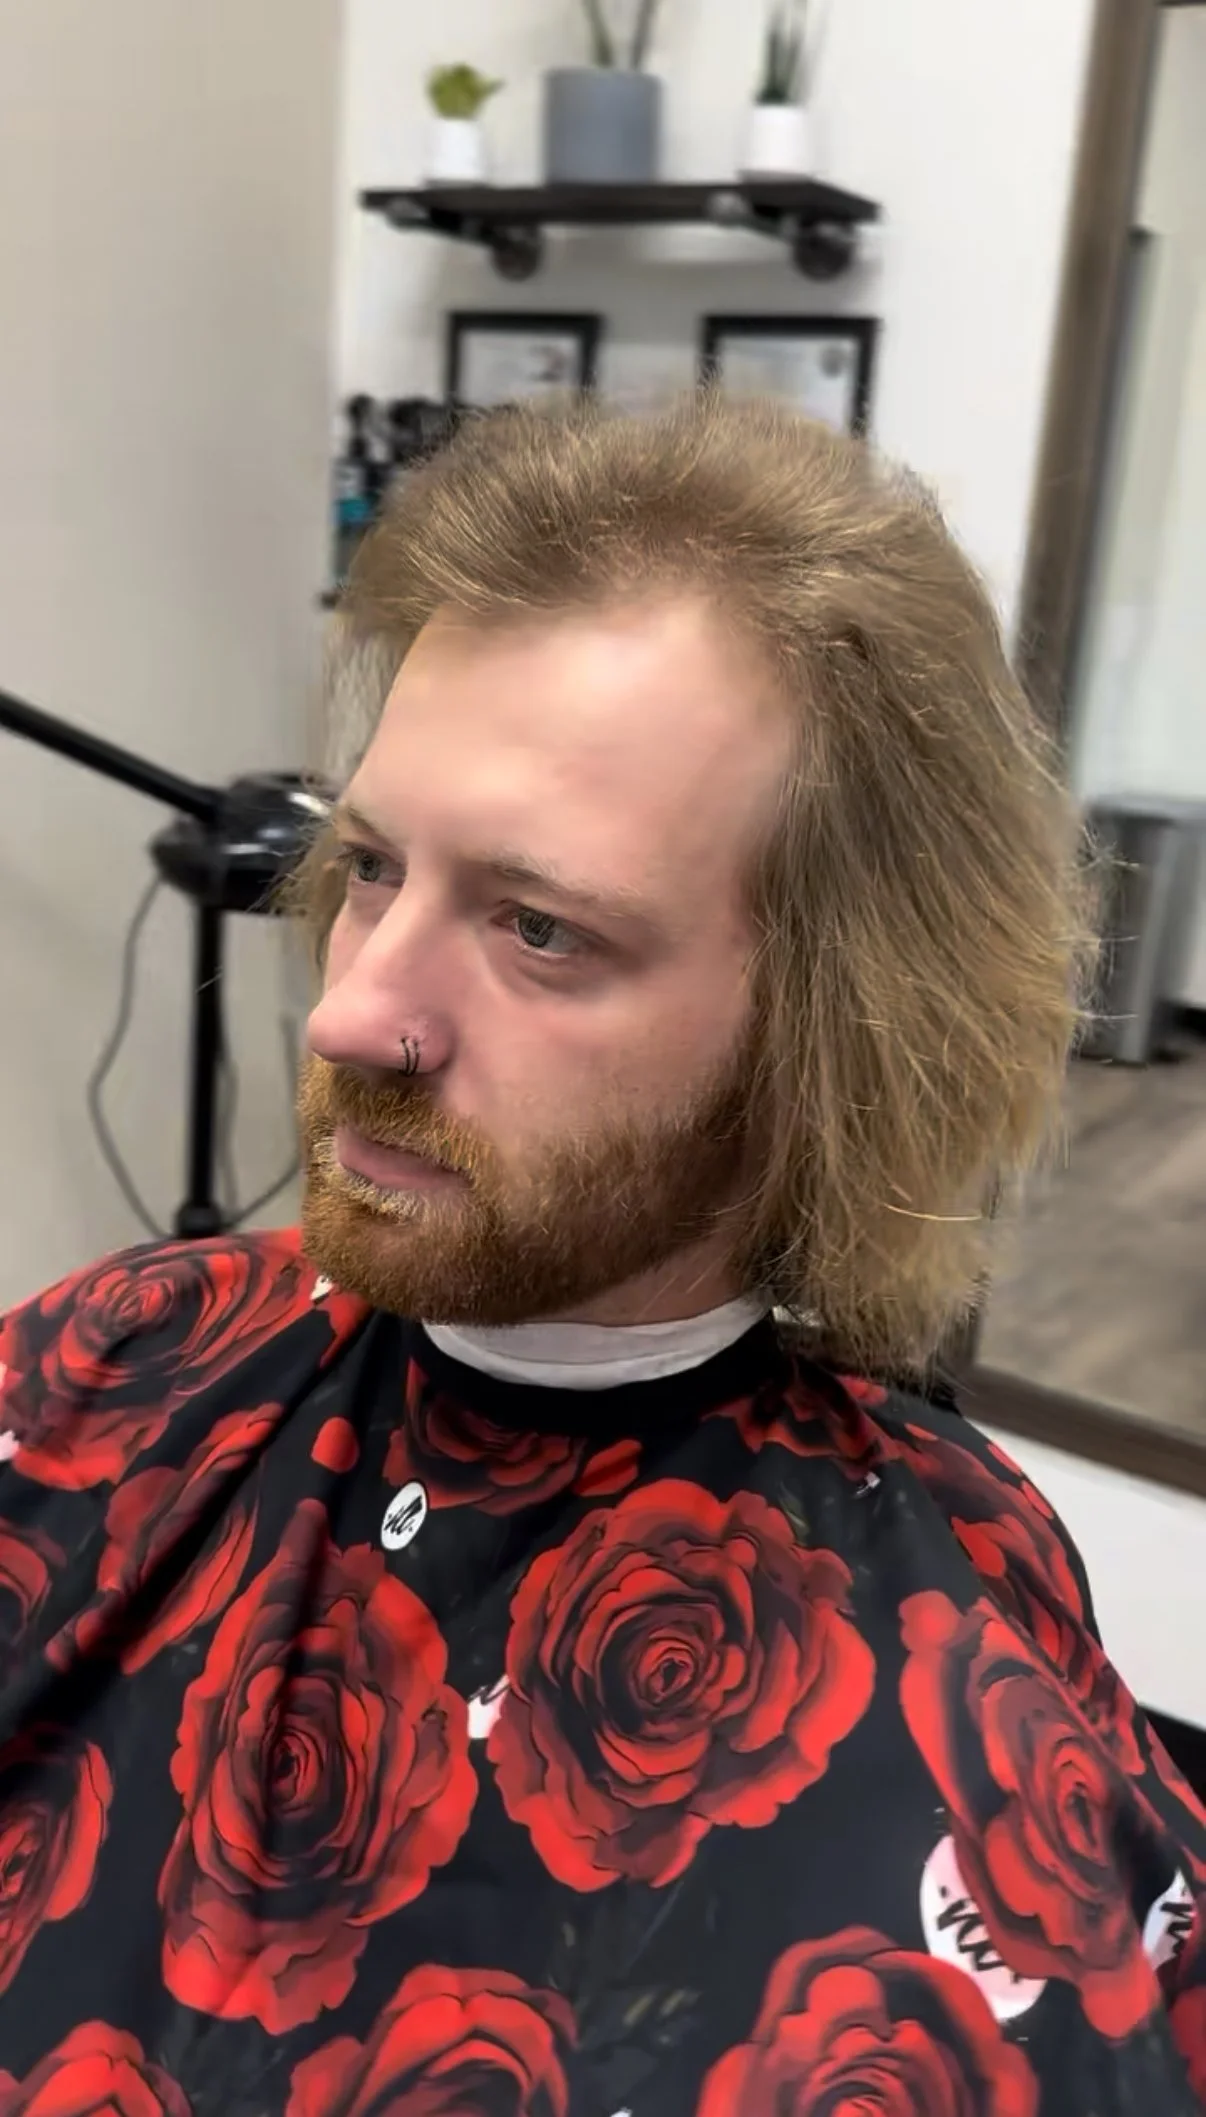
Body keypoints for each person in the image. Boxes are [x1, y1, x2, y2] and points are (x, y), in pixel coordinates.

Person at [0, 392, 1202, 2116]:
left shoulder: (968, 1726)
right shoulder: (115, 1352)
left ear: (835, 1029)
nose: (353, 1011)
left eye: (538, 927)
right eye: (372, 866)